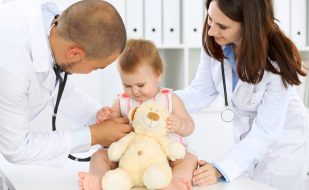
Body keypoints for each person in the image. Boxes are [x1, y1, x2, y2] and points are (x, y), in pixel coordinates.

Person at [175, 0, 309, 190]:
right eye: (210, 19)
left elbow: (266, 132)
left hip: (282, 147)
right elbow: (201, 91)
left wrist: (220, 168)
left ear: (250, 25)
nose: (212, 31)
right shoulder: (216, 42)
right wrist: (160, 100)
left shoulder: (275, 62)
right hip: (247, 142)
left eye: (223, 26)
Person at [0, 0, 132, 167]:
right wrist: (93, 135)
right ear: (74, 53)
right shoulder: (12, 67)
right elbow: (17, 149)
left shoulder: (59, 27)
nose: (93, 71)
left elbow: (56, 84)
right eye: (96, 68)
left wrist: (101, 118)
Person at [79, 39, 198, 190]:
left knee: (187, 158)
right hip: (129, 156)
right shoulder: (122, 101)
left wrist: (180, 124)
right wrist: (106, 117)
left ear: (158, 75)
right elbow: (111, 125)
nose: (134, 91)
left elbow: (190, 126)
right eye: (127, 85)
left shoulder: (169, 98)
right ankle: (99, 180)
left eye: (141, 85)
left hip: (165, 155)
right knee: (99, 156)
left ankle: (175, 182)